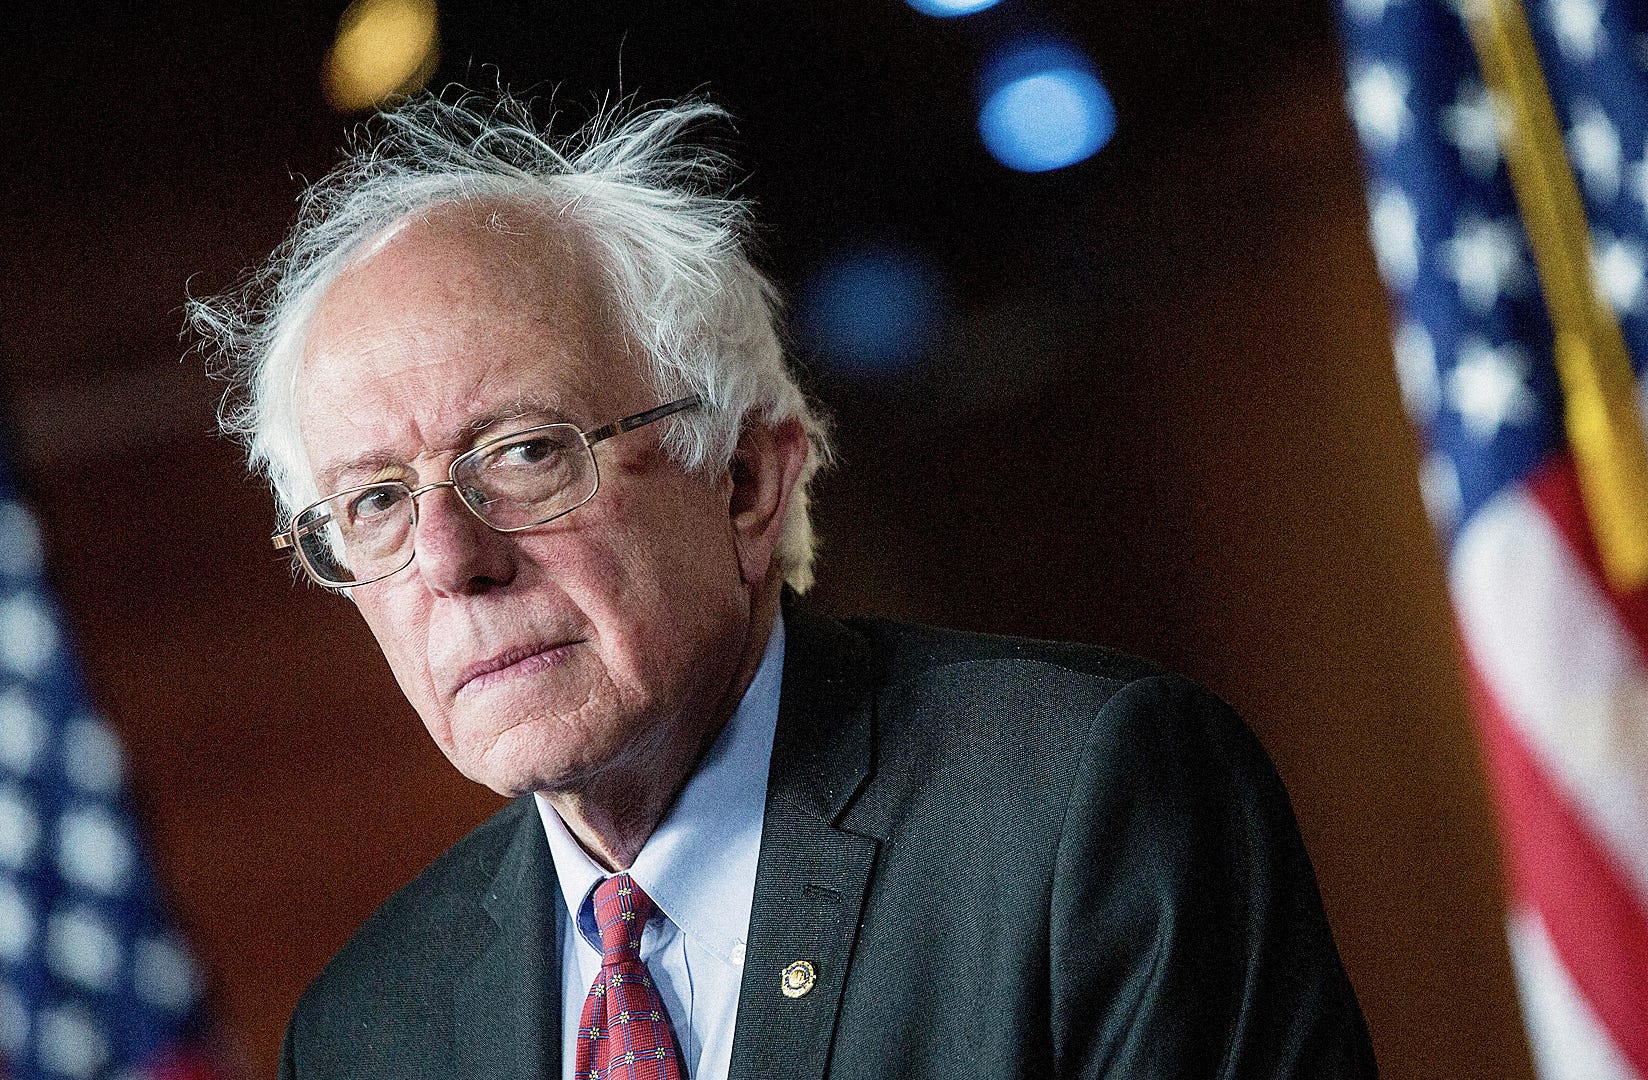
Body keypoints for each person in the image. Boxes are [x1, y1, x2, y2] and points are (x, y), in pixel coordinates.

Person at [189, 91, 1377, 1080]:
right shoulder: (366, 1031)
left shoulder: (1077, 806)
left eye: (526, 452)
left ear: (746, 479)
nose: (452, 562)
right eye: (376, 503)